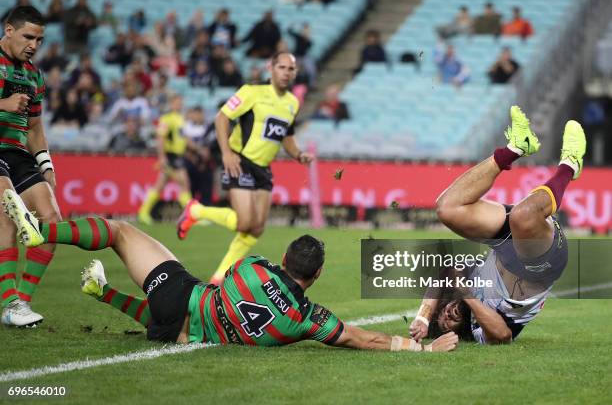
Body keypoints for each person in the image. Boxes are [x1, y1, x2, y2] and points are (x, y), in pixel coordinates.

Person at [2, 189, 458, 351]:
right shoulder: (306, 320)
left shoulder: (255, 267)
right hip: (183, 331)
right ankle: (101, 292)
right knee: (176, 322)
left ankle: (45, 231)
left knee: (122, 232)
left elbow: (226, 278)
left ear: (283, 260)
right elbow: (361, 337)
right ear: (315, 277)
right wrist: (418, 350)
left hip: (179, 299)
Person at [409, 106, 586, 345]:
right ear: (455, 333)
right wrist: (468, 297)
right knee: (522, 216)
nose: (447, 317)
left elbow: (443, 274)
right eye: (446, 325)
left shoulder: (466, 279)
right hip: (542, 262)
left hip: (507, 243)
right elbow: (503, 336)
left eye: (443, 313)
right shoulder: (476, 329)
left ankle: (516, 147)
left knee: (447, 209)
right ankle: (570, 166)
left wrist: (424, 316)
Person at [177, 52, 313, 285]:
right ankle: (196, 211)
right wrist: (227, 153)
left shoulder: (292, 103)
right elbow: (222, 118)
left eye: (291, 69)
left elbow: (286, 137)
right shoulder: (252, 92)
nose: (286, 72)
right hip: (240, 161)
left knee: (257, 228)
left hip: (263, 168)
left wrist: (298, 154)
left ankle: (218, 277)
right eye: (282, 67)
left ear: (295, 73)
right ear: (271, 68)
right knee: (244, 223)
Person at [0, 6, 62, 327]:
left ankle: (19, 304)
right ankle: (9, 300)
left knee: (51, 219)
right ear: (8, 30)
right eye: (28, 36)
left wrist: (46, 165)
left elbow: (35, 128)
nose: (34, 45)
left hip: (15, 151)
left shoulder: (33, 74)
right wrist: (4, 105)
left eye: (39, 39)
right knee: (8, 211)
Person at [137, 95, 195, 224]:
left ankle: (143, 212)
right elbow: (160, 138)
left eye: (181, 102)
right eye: (177, 103)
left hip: (178, 156)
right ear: (171, 104)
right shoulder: (166, 119)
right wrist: (162, 157)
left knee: (161, 185)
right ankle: (191, 216)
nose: (179, 105)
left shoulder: (180, 118)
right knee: (184, 183)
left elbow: (182, 139)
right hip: (171, 156)